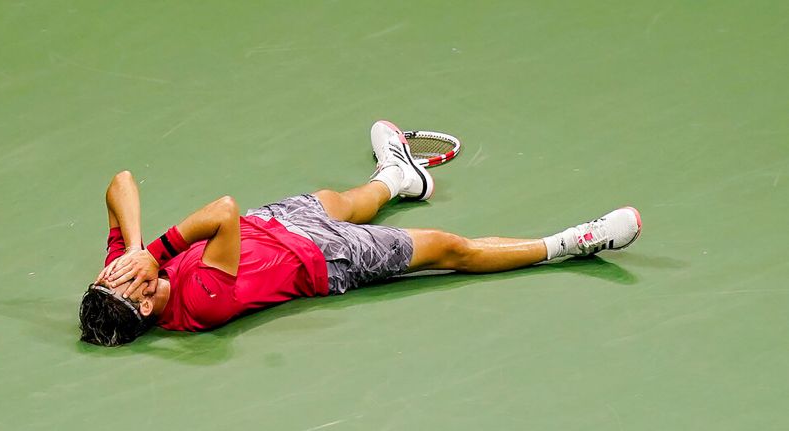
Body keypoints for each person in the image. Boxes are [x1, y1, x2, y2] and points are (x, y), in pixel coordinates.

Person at [79, 120, 642, 346]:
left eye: (113, 277)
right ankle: (571, 242)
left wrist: (129, 252)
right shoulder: (200, 304)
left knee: (345, 199)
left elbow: (120, 183)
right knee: (451, 248)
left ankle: (398, 176)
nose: (122, 276)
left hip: (275, 222)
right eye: (126, 282)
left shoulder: (128, 279)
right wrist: (153, 251)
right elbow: (223, 210)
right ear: (147, 308)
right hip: (327, 259)